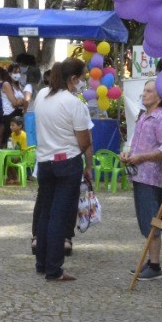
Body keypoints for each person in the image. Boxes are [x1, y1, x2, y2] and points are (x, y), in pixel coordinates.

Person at [32, 58, 94, 282]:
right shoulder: (74, 103)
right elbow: (84, 140)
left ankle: (41, 263)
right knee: (59, 215)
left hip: (45, 161)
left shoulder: (42, 96)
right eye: (82, 78)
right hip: (67, 161)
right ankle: (54, 269)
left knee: (45, 212)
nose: (83, 82)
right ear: (73, 78)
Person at [126, 81, 162, 281]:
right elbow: (136, 143)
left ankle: (155, 266)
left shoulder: (161, 118)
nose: (144, 95)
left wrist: (142, 157)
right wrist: (128, 154)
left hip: (151, 177)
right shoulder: (143, 117)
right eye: (144, 91)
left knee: (151, 220)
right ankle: (150, 261)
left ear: (160, 97)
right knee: (144, 220)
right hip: (138, 174)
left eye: (149, 91)